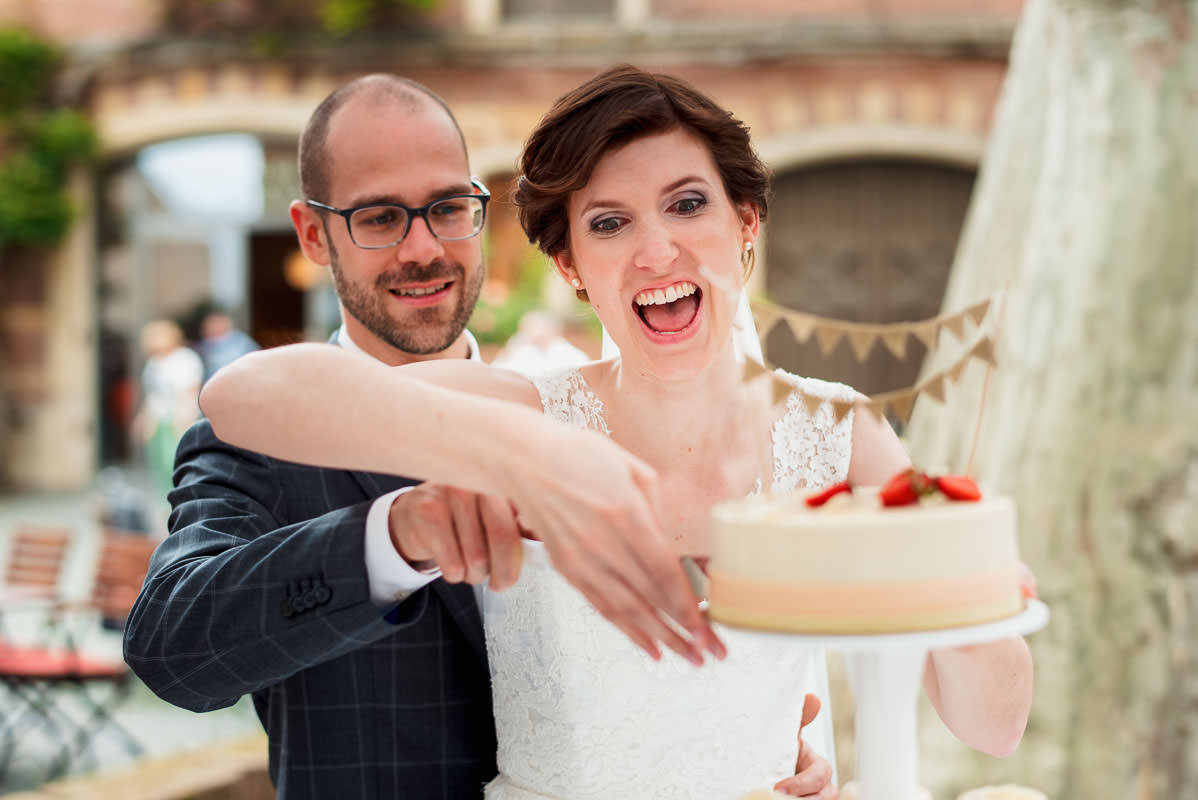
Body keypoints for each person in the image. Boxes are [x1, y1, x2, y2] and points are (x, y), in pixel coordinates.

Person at [196, 66, 1034, 798]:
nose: (657, 249)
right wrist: (532, 452)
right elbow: (241, 396)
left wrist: (958, 580)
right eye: (609, 223)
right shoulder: (523, 411)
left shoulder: (842, 436)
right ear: (571, 267)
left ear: (746, 222)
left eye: (688, 204)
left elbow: (995, 726)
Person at [123, 73, 834, 799]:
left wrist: (763, 742)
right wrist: (396, 534)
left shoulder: (580, 418)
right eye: (378, 219)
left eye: (447, 208)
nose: (423, 248)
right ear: (313, 233)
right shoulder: (259, 441)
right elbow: (172, 651)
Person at [132, 318, 203, 497]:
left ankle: (183, 499)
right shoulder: (153, 364)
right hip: (158, 419)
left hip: (179, 418)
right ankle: (165, 502)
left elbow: (191, 391)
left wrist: (186, 417)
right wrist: (142, 418)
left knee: (177, 461)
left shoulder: (186, 359)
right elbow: (151, 394)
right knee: (160, 464)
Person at [194, 306, 259, 381]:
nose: (214, 327)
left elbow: (254, 362)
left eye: (216, 323)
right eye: (211, 323)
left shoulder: (240, 341)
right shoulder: (202, 346)